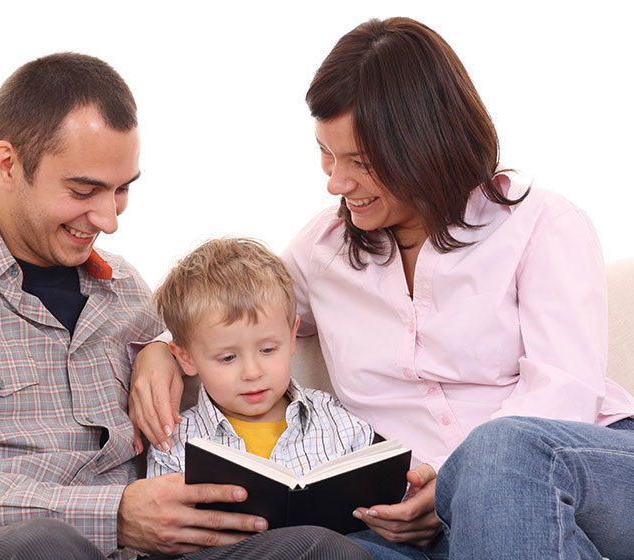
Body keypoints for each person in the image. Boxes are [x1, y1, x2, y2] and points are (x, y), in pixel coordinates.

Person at [128, 17, 634, 560]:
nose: (335, 182)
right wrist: (159, 349)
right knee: (314, 550)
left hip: (578, 472)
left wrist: (448, 479)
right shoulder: (323, 250)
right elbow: (234, 305)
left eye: (362, 164)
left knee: (500, 451)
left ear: (427, 147)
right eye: (327, 153)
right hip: (413, 527)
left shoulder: (541, 224)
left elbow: (563, 395)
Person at [0, 53, 366, 560]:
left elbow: (205, 352)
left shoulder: (127, 292)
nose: (108, 220)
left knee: (322, 549)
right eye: (84, 190)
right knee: (44, 546)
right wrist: (111, 514)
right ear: (9, 163)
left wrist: (158, 348)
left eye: (122, 191)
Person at [146, 237, 374, 480]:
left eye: (267, 350)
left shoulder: (339, 422)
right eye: (228, 358)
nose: (252, 373)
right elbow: (163, 516)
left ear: (291, 336)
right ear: (186, 358)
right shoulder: (174, 448)